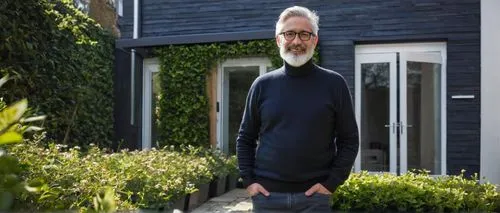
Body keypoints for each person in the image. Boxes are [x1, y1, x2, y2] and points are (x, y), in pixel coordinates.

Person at [236, 5, 360, 213]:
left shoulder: (334, 84)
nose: (296, 41)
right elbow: (245, 138)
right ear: (279, 40)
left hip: (315, 200)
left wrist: (331, 183)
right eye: (289, 34)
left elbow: (349, 139)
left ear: (315, 40)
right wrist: (249, 181)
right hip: (267, 198)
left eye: (304, 34)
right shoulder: (262, 85)